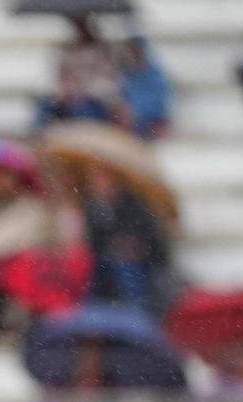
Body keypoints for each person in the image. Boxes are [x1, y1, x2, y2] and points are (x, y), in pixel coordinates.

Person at [78, 162, 170, 314]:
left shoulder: (135, 203)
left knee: (126, 268)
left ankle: (137, 310)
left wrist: (127, 243)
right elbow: (93, 240)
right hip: (105, 259)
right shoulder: (92, 206)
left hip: (141, 260)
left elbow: (145, 237)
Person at [33, 16, 121, 130]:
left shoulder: (102, 51)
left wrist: (82, 91)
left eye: (81, 27)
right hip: (69, 97)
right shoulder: (68, 51)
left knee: (84, 113)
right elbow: (63, 76)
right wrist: (65, 92)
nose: (78, 31)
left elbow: (105, 79)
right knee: (44, 108)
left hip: (93, 99)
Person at [118, 36, 172, 140]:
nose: (128, 56)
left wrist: (137, 113)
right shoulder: (126, 74)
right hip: (132, 121)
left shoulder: (154, 75)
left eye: (131, 53)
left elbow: (159, 101)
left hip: (150, 119)